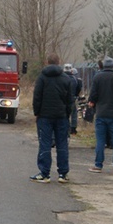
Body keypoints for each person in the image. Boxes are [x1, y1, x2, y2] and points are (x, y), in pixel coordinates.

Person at [30, 53, 72, 184]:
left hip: (45, 116)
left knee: (45, 144)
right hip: (61, 116)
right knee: (62, 145)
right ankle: (62, 174)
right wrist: (67, 114)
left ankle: (44, 173)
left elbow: (37, 97)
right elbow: (70, 100)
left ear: (47, 62)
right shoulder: (66, 78)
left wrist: (37, 113)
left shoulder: (42, 77)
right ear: (59, 62)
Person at [88, 56, 113, 174]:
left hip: (101, 113)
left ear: (103, 66)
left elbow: (93, 94)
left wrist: (92, 103)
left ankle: (98, 165)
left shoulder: (97, 77)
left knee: (100, 140)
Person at [63, 64, 82, 135]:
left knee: (65, 114)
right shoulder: (75, 79)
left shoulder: (62, 78)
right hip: (72, 99)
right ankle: (73, 129)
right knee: (74, 114)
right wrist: (76, 95)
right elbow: (79, 88)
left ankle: (66, 128)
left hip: (63, 100)